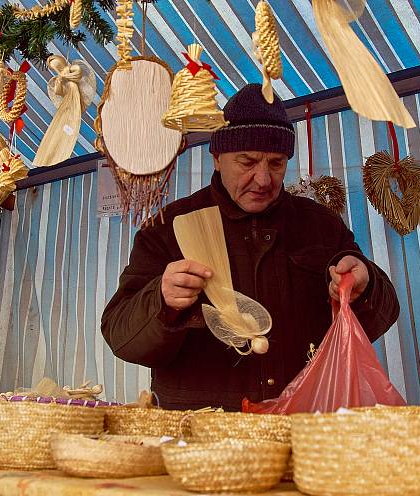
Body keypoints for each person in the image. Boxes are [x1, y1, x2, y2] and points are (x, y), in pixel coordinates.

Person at [101, 84, 399, 410]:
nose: (263, 179)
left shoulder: (320, 225)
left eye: (276, 163)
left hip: (300, 423)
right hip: (202, 433)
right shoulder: (166, 228)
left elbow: (378, 317)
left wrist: (364, 285)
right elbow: (120, 335)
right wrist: (162, 302)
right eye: (247, 161)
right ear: (217, 157)